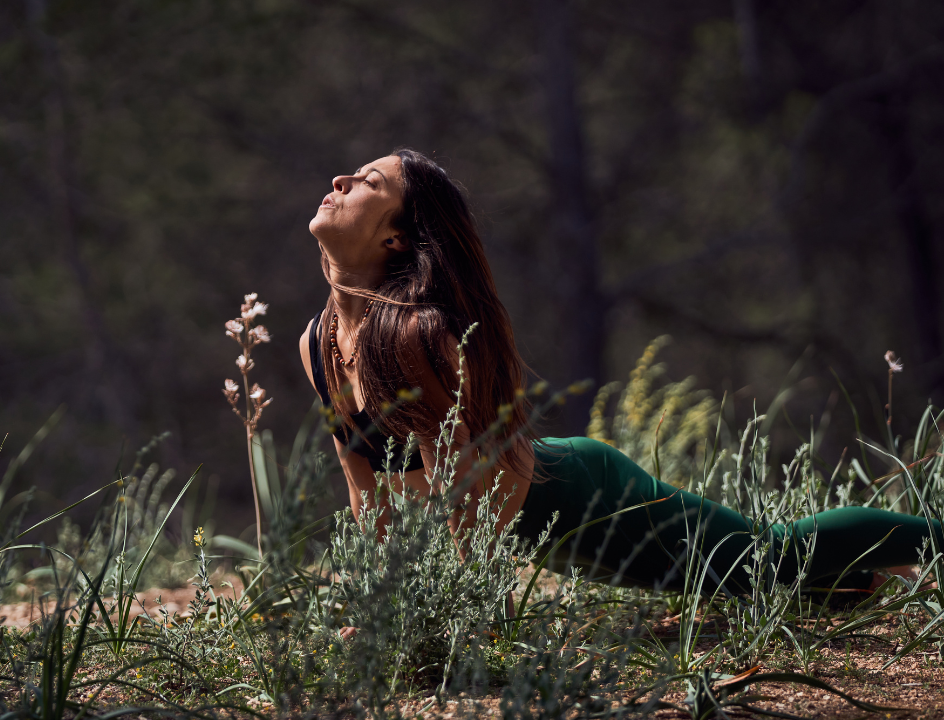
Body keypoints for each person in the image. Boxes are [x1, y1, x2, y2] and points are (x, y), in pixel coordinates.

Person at [298, 148, 939, 600]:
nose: (341, 177)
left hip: (585, 497)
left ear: (396, 240)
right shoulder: (319, 343)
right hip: (549, 536)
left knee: (771, 556)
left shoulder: (416, 336)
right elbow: (368, 496)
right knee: (749, 587)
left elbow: (466, 490)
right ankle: (872, 581)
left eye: (368, 182)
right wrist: (376, 599)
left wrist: (441, 610)